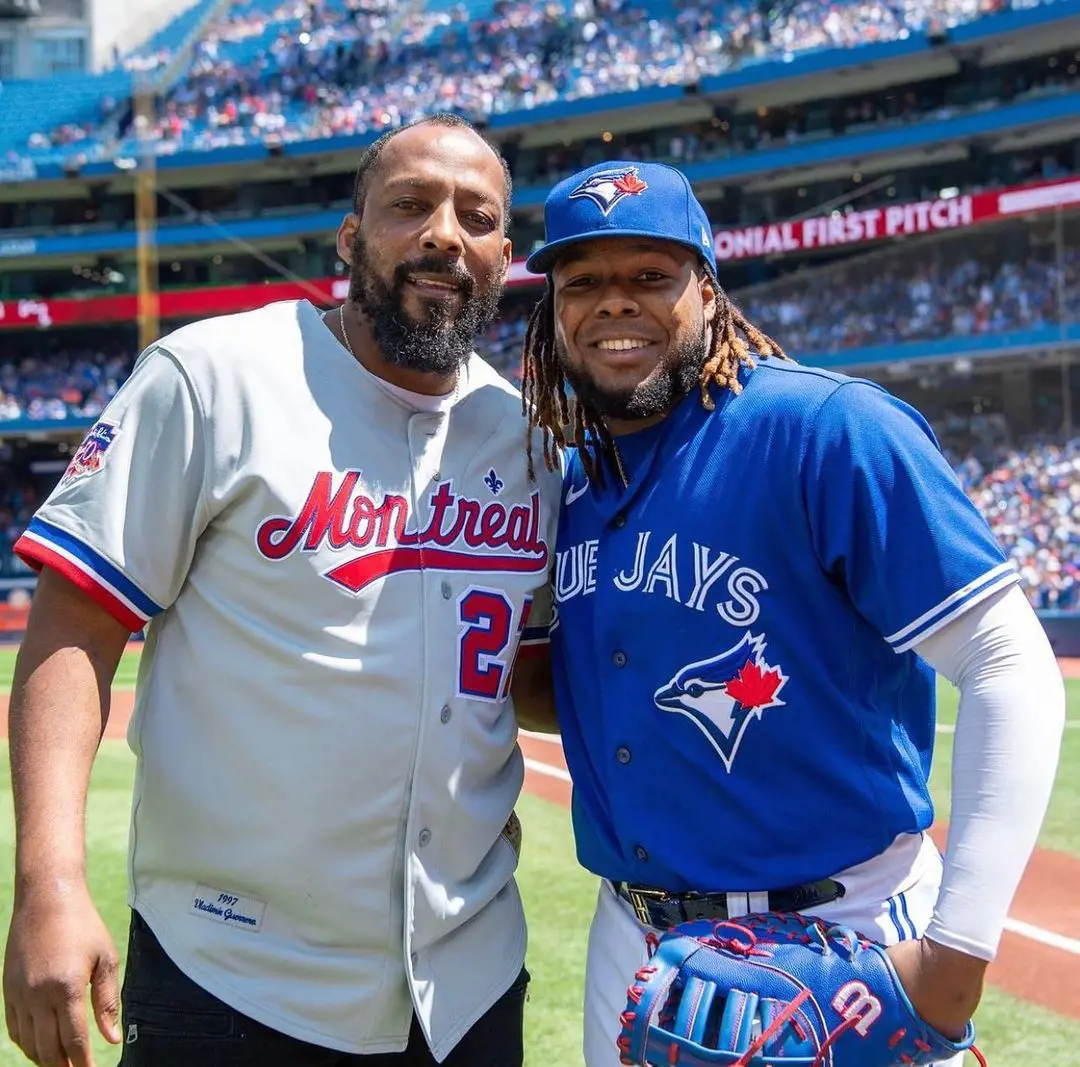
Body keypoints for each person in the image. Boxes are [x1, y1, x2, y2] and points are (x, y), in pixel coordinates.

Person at [2, 114, 562, 1067]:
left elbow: (526, 674)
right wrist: (49, 882)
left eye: (476, 216)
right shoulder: (215, 375)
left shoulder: (526, 437)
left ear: (504, 257)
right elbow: (73, 625)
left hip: (467, 981)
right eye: (409, 206)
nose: (444, 233)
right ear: (350, 238)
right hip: (231, 971)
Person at [519, 160, 1066, 1066]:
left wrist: (954, 959)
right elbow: (570, 692)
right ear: (552, 314)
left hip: (841, 935)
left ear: (708, 289)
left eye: (650, 276)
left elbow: (1009, 662)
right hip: (635, 943)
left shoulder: (827, 428)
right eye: (583, 283)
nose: (615, 303)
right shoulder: (570, 486)